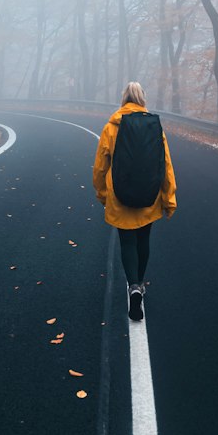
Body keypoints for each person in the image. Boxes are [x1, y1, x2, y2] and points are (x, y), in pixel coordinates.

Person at [93, 82, 177, 321]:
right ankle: (140, 282)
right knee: (143, 240)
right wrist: (169, 197)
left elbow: (100, 166)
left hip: (120, 195)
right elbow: (166, 164)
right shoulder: (155, 128)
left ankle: (134, 286)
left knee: (127, 242)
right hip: (149, 195)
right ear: (142, 99)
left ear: (123, 98)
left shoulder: (112, 126)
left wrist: (102, 193)